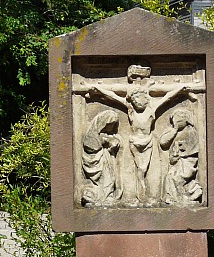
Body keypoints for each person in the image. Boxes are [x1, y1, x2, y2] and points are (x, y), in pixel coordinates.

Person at [77, 65, 204, 202]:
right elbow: (113, 97)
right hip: (133, 143)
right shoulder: (131, 110)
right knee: (135, 171)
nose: (137, 100)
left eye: (139, 97)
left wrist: (181, 89)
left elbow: (167, 97)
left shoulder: (151, 109)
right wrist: (98, 89)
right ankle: (135, 197)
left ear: (146, 98)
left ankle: (151, 197)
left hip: (149, 143)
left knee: (150, 170)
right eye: (134, 98)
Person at [160, 108, 202, 205]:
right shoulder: (173, 131)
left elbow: (192, 148)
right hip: (178, 162)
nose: (176, 123)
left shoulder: (191, 131)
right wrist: (174, 130)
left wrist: (180, 151)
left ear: (186, 120)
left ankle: (184, 196)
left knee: (175, 177)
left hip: (187, 162)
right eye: (174, 121)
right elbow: (163, 142)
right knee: (170, 176)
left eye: (178, 121)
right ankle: (174, 198)